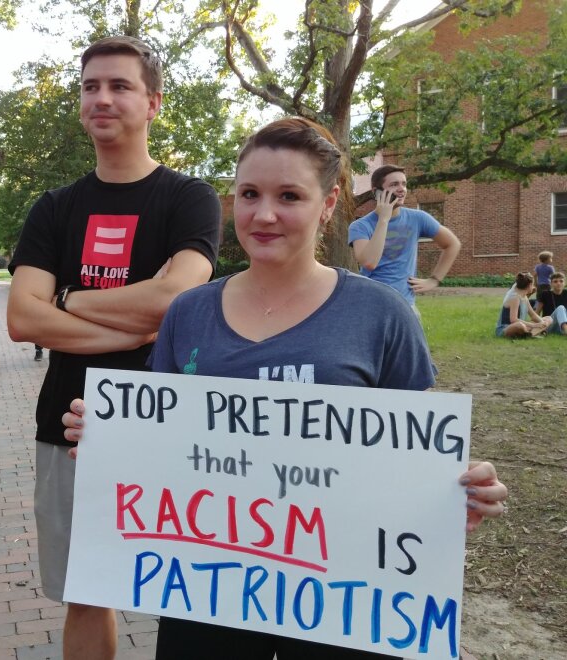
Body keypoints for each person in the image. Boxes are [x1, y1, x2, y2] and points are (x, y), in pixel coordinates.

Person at [62, 118, 508, 660]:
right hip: (210, 592)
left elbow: (414, 454)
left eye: (289, 195)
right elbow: (158, 446)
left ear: (329, 203)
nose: (263, 213)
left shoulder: (381, 315)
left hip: (343, 598)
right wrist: (107, 436)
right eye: (249, 194)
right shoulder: (189, 312)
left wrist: (457, 491)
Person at [7, 35, 221, 660]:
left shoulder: (189, 198)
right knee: (87, 591)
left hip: (167, 425)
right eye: (90, 86)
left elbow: (176, 298)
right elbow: (22, 317)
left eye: (120, 86)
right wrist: (137, 317)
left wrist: (67, 300)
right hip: (69, 424)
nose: (102, 98)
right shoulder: (54, 208)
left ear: (153, 103)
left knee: (189, 592)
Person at [348, 164, 461, 313]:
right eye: (394, 184)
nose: (402, 189)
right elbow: (369, 262)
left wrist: (434, 279)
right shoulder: (360, 226)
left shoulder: (418, 218)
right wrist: (383, 220)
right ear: (376, 192)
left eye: (404, 184)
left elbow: (452, 244)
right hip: (370, 306)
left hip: (405, 306)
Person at [495, 272, 552, 338]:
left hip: (523, 326)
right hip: (506, 328)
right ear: (529, 285)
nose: (533, 287)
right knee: (520, 326)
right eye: (533, 285)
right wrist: (534, 325)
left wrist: (542, 323)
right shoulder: (515, 298)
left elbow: (533, 315)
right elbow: (513, 320)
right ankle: (533, 332)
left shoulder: (524, 297)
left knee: (549, 319)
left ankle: (530, 334)